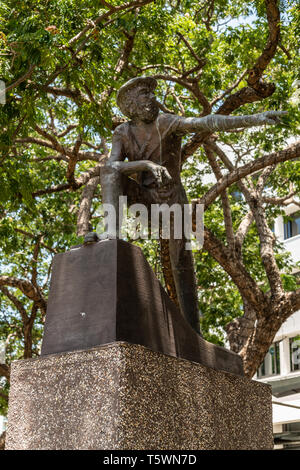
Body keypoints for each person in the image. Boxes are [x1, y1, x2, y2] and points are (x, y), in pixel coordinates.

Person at [89, 76, 285, 333]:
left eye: (151, 94)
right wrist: (145, 165)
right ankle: (110, 233)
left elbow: (207, 122)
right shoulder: (122, 133)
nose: (151, 99)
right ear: (132, 107)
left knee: (181, 264)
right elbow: (112, 166)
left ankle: (193, 332)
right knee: (109, 172)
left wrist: (255, 118)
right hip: (145, 200)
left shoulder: (167, 122)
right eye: (144, 95)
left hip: (173, 203)